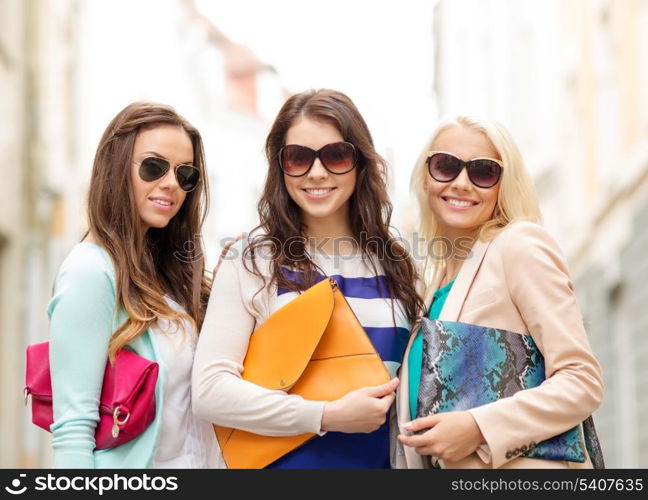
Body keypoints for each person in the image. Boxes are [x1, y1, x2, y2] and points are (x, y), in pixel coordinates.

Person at [192, 89, 423, 469]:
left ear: (360, 163)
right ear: (280, 167)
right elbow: (210, 391)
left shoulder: (396, 263)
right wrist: (325, 415)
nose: (317, 173)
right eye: (298, 157)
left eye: (336, 155)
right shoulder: (252, 260)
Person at [396, 115, 604, 469]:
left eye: (483, 171)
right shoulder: (433, 283)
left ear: (503, 185)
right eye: (445, 165)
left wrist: (478, 427)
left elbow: (581, 381)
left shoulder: (519, 245)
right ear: (425, 178)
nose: (461, 183)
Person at [48, 102, 222, 468]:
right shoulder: (90, 271)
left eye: (185, 174)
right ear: (115, 168)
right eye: (153, 166)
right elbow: (73, 429)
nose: (171, 183)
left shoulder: (173, 275)